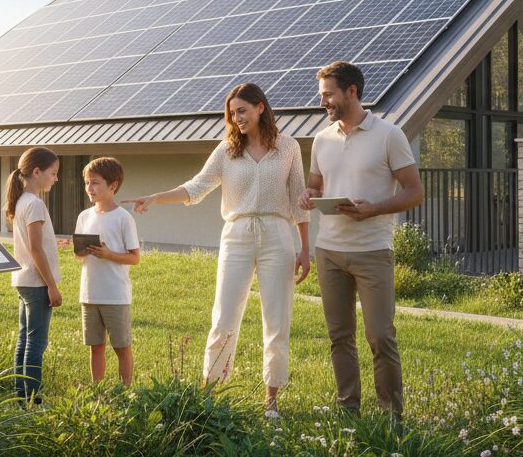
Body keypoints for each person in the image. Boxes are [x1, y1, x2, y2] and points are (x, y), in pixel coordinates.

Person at [130, 82, 310, 418]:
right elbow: (197, 187)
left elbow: (299, 200)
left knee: (277, 319)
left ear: (260, 107)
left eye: (242, 111)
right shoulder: (227, 150)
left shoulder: (288, 147)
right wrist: (156, 197)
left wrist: (305, 248)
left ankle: (271, 403)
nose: (237, 118)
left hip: (277, 233)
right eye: (232, 114)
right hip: (237, 234)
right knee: (224, 316)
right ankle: (210, 393)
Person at [297, 60, 423, 418]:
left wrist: (375, 208)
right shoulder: (322, 139)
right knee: (340, 337)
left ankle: (391, 417)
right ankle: (348, 410)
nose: (323, 102)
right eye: (322, 95)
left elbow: (415, 192)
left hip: (372, 251)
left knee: (381, 337)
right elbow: (316, 185)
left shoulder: (389, 135)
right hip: (329, 251)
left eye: (328, 94)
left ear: (351, 91)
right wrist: (308, 195)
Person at [6, 146, 70, 404]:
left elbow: (36, 243)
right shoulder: (34, 204)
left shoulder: (22, 201)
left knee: (24, 339)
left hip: (23, 280)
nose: (56, 178)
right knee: (36, 343)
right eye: (53, 173)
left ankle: (20, 397)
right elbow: (34, 248)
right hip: (36, 283)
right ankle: (33, 400)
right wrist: (51, 286)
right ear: (36, 172)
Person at [73, 157, 141, 386]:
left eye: (95, 183)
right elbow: (79, 255)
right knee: (95, 347)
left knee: (121, 346)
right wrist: (81, 251)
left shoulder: (123, 218)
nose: (89, 188)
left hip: (115, 294)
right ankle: (97, 391)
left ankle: (125, 391)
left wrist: (109, 254)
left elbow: (135, 258)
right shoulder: (84, 216)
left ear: (112, 186)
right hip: (90, 294)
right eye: (87, 183)